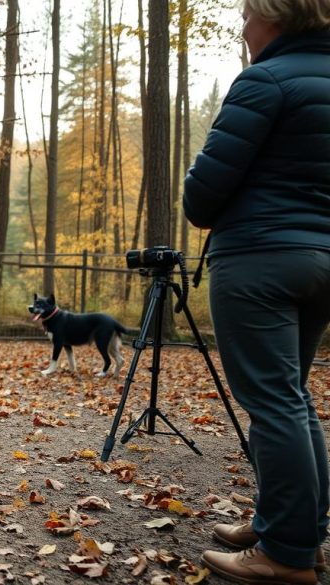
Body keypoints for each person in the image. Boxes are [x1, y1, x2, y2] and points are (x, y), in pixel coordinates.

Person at [183, 1, 330, 583]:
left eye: (247, 16)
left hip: (261, 262)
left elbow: (202, 196)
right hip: (322, 265)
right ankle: (288, 524)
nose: (242, 29)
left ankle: (287, 553)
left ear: (276, 18)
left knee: (274, 401)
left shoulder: (265, 80)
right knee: (291, 395)